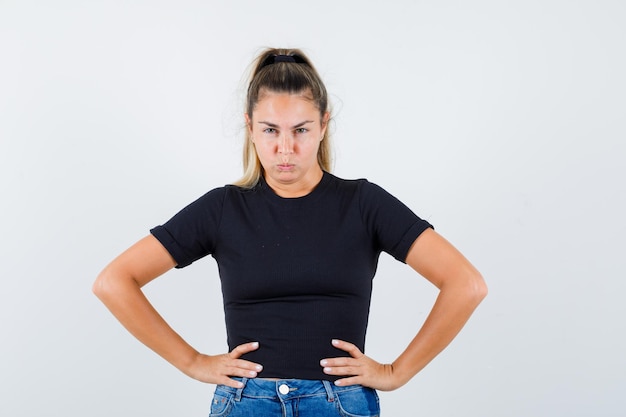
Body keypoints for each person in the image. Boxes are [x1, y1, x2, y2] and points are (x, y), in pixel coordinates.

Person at [93, 47, 487, 417]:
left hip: (340, 402)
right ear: (249, 127)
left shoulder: (363, 203)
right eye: (270, 130)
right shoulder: (222, 208)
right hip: (246, 401)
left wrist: (395, 372)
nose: (285, 148)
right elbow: (114, 281)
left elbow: (465, 284)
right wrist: (192, 362)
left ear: (323, 124)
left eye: (300, 130)